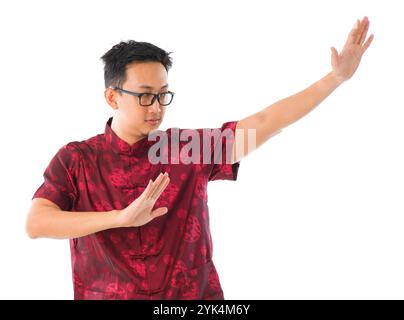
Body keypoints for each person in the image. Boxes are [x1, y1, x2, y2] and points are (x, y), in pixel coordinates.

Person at [26, 16, 373, 300]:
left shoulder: (186, 149)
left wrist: (335, 79)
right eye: (145, 96)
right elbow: (37, 223)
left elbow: (263, 123)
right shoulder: (78, 159)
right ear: (113, 97)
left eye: (164, 95)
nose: (158, 108)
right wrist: (120, 218)